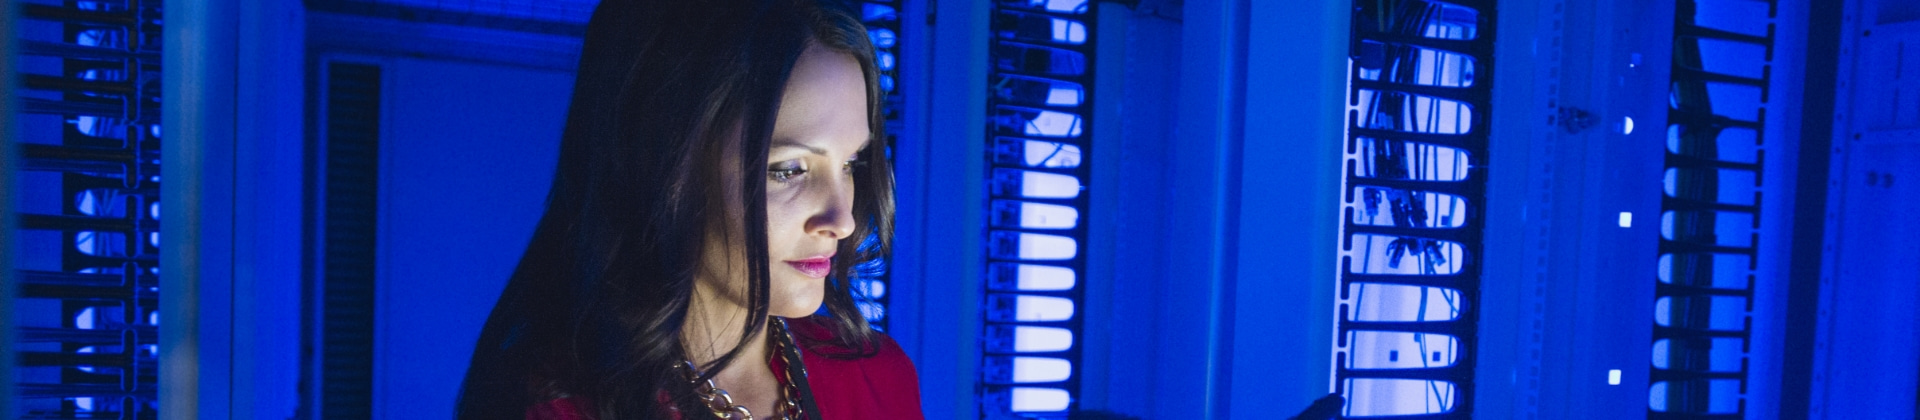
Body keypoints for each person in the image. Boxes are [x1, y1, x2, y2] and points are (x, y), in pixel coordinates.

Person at [455, 0, 921, 418]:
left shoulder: (878, 378)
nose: (842, 220)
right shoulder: (557, 408)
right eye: (789, 169)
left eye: (850, 164)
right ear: (664, 164)